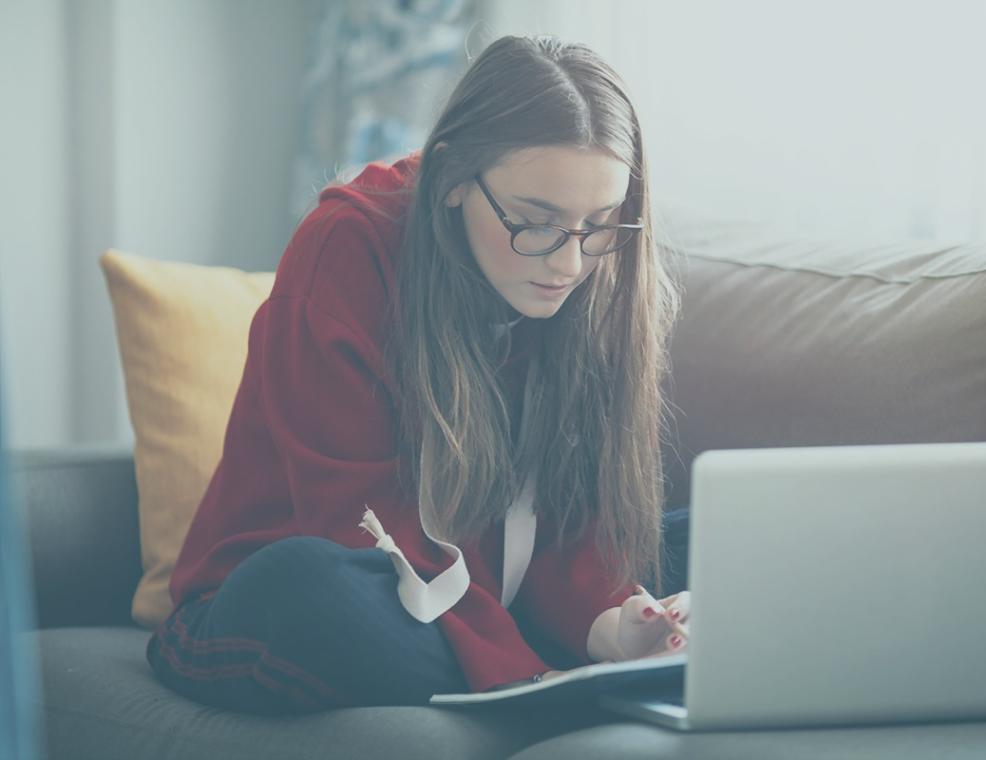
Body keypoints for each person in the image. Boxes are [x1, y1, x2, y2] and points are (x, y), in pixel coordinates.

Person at [145, 33, 691, 714]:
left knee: (710, 539)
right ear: (453, 178)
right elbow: (367, 525)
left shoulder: (597, 274)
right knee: (308, 584)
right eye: (534, 222)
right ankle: (554, 686)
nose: (569, 264)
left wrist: (612, 622)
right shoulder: (347, 249)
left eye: (600, 224)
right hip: (328, 583)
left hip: (485, 596)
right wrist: (530, 680)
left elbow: (563, 511)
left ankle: (612, 670)